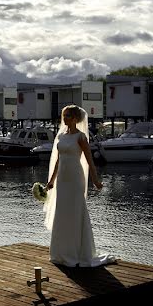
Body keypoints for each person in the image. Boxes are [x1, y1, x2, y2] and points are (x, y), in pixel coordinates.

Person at [42, 105, 115, 267]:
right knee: (62, 213)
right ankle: (61, 253)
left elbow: (90, 161)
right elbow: (58, 161)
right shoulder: (60, 136)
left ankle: (76, 253)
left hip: (75, 178)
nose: (65, 118)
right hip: (62, 179)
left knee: (75, 212)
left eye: (68, 115)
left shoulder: (80, 137)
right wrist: (51, 181)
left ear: (75, 118)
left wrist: (95, 180)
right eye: (64, 115)